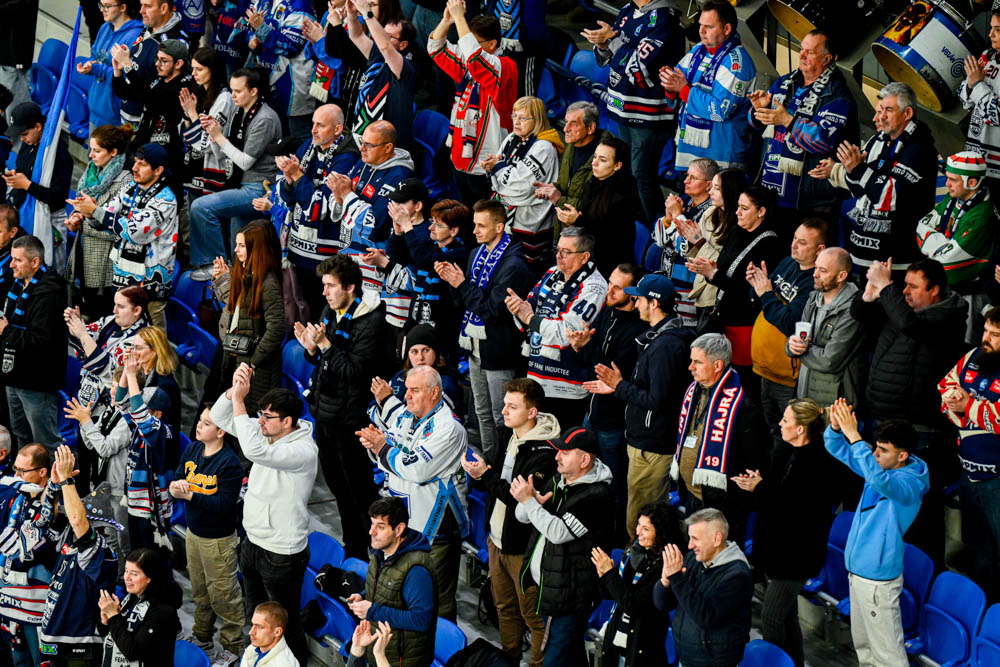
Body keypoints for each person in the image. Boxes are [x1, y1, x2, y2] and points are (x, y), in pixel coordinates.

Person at [211, 373, 317, 666]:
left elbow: (253, 450)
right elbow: (219, 416)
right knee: (256, 619)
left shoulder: (302, 451)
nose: (259, 421)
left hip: (282, 552)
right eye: (260, 414)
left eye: (267, 416)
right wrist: (233, 391)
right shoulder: (267, 433)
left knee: (285, 624)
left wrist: (240, 402)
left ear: (288, 421)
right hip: (253, 542)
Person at [585, 273, 695, 538]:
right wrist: (619, 386)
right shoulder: (662, 336)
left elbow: (659, 400)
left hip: (652, 444)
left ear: (654, 303)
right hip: (648, 439)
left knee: (641, 518)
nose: (635, 303)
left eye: (640, 299)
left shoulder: (665, 346)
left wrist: (619, 386)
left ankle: (640, 559)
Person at [460, 377, 558, 666]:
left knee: (532, 617)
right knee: (504, 608)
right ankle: (508, 660)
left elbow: (519, 499)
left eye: (512, 407)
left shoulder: (545, 453)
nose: (503, 411)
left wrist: (485, 475)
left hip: (522, 549)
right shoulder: (507, 434)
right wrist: (480, 472)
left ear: (532, 412)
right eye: (505, 404)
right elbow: (494, 479)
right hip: (496, 539)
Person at [297, 254, 389, 559]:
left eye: (330, 286)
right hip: (325, 413)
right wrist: (311, 349)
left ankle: (372, 553)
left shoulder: (372, 322)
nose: (324, 292)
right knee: (338, 489)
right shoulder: (331, 310)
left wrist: (324, 346)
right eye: (323, 285)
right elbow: (323, 361)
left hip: (351, 421)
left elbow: (354, 372)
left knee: (358, 492)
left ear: (350, 287)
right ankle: (353, 551)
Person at [825, 399, 929, 667]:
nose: (875, 454)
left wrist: (855, 437)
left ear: (902, 455)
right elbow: (838, 449)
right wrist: (836, 428)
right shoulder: (881, 466)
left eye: (883, 450)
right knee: (865, 650)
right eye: (876, 447)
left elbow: (880, 481)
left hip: (878, 581)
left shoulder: (909, 486)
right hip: (858, 572)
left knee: (888, 657)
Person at [732, 398, 834, 667]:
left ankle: (772, 662)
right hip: (775, 549)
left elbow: (793, 509)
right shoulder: (784, 451)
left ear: (800, 429)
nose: (779, 423)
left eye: (786, 420)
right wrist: (756, 484)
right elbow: (774, 495)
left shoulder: (817, 463)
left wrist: (760, 488)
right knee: (786, 616)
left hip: (795, 556)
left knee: (772, 617)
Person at [362, 365, 469, 621]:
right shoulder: (409, 415)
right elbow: (389, 450)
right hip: (407, 521)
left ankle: (442, 646)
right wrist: (375, 444)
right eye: (407, 389)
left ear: (434, 393)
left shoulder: (448, 428)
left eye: (415, 390)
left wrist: (382, 448)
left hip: (436, 528)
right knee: (404, 596)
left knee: (435, 603)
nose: (407, 395)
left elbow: (416, 469)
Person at [435, 198, 533, 461]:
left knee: (503, 417)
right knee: (482, 413)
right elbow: (463, 302)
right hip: (475, 344)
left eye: (481, 226)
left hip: (500, 349)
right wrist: (451, 281)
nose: (475, 231)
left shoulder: (513, 264)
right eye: (474, 225)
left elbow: (492, 311)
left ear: (499, 227)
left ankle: (505, 466)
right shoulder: (476, 254)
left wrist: (461, 284)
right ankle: (489, 464)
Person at [514, 426, 615, 667]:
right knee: (570, 656)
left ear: (584, 460)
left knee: (556, 659)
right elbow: (522, 516)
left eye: (565, 453)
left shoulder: (597, 496)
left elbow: (558, 533)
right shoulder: (559, 480)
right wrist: (532, 503)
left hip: (572, 596)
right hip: (551, 587)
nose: (557, 457)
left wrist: (531, 503)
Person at [811, 82, 937, 272]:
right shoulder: (878, 140)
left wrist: (858, 169)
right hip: (862, 256)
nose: (878, 117)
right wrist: (850, 170)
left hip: (897, 263)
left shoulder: (920, 149)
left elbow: (889, 197)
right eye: (879, 110)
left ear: (907, 113)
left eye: (888, 110)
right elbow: (858, 189)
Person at [585, 0, 682, 224]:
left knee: (641, 176)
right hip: (623, 108)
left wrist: (612, 41)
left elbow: (639, 67)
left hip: (647, 114)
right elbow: (610, 58)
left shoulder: (664, 19)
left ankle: (656, 230)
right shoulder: (628, 9)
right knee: (626, 172)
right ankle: (634, 225)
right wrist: (603, 44)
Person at [570, 263, 647, 537]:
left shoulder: (638, 330)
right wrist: (581, 347)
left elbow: (608, 373)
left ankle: (613, 537)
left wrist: (587, 347)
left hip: (614, 424)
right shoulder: (607, 313)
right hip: (591, 413)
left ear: (634, 294)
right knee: (581, 477)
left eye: (617, 288)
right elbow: (592, 364)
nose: (609, 291)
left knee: (614, 486)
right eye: (609, 283)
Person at [67, 143, 178, 330]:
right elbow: (106, 215)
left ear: (158, 170)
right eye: (135, 162)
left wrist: (95, 211)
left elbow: (134, 231)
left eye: (142, 164)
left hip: (149, 287)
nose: (134, 168)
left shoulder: (165, 201)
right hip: (122, 279)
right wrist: (87, 213)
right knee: (122, 336)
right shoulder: (131, 187)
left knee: (152, 341)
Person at [748, 29, 857, 218]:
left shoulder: (837, 96)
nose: (802, 55)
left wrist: (787, 120)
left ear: (826, 59)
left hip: (809, 202)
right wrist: (760, 111)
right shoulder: (786, 82)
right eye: (801, 49)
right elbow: (757, 126)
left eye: (810, 52)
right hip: (770, 190)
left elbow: (823, 141)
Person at [670, 333, 767, 546]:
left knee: (719, 555)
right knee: (694, 550)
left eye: (697, 362)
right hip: (693, 494)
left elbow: (752, 458)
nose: (690, 367)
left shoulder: (743, 404)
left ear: (717, 365)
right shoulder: (695, 389)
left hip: (722, 504)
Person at [506, 226, 607, 427]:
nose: (559, 256)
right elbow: (528, 309)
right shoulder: (552, 273)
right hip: (536, 377)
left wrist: (530, 318)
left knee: (559, 443)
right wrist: (517, 308)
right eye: (557, 249)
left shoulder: (594, 287)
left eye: (566, 252)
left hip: (566, 388)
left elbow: (565, 333)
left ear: (585, 256)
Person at [687, 184, 784, 390]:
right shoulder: (736, 230)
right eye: (738, 206)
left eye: (745, 208)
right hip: (722, 319)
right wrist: (712, 268)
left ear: (761, 211)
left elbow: (748, 290)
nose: (737, 212)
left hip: (743, 326)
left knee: (739, 382)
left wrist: (713, 274)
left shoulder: (770, 244)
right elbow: (726, 269)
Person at [188, 67, 282, 277]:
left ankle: (213, 264)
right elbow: (221, 154)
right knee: (239, 254)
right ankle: (229, 278)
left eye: (238, 91)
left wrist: (219, 137)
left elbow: (245, 161)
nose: (233, 96)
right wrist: (212, 134)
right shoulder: (239, 112)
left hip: (259, 188)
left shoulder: (265, 118)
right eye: (231, 90)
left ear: (254, 91)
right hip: (239, 184)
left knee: (201, 207)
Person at [169, 406, 244, 666]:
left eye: (207, 423)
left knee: (224, 597)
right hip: (194, 533)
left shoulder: (229, 463)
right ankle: (202, 635)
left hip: (218, 541)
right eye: (200, 419)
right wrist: (175, 487)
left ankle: (232, 647)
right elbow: (178, 478)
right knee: (200, 591)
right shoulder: (192, 449)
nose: (199, 425)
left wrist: (190, 495)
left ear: (221, 431)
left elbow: (224, 504)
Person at [747, 219, 826, 448]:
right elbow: (761, 301)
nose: (794, 245)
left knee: (789, 438)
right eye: (794, 238)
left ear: (820, 249)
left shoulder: (815, 282)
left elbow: (790, 323)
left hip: (788, 378)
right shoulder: (788, 262)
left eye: (802, 242)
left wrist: (765, 294)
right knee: (772, 430)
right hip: (764, 368)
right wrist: (756, 286)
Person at [938, 306, 1000, 598]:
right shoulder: (974, 356)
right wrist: (957, 405)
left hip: (997, 481)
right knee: (977, 548)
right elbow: (946, 387)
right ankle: (982, 606)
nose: (985, 338)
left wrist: (968, 407)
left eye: (995, 334)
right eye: (986, 330)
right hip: (969, 472)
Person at [278, 103, 360, 317]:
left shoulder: (346, 159)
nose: (313, 130)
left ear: (337, 129)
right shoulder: (309, 146)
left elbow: (319, 208)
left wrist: (297, 177)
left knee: (320, 313)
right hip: (297, 248)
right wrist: (290, 182)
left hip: (323, 257)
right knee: (301, 307)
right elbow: (284, 195)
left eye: (321, 125)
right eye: (313, 123)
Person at [429, 5, 517, 204]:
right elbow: (435, 48)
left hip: (486, 162)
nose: (466, 48)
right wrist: (447, 21)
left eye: (474, 42)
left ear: (492, 44)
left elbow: (475, 56)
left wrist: (461, 17)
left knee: (484, 214)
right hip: (461, 157)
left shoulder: (504, 66)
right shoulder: (470, 63)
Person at [37, 445, 118, 662]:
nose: (71, 517)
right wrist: (54, 485)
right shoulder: (69, 541)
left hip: (80, 646)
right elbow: (46, 518)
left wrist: (67, 480)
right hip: (56, 638)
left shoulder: (97, 548)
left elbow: (78, 521)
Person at [65, 285, 150, 486]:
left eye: (121, 306)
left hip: (110, 413)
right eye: (114, 305)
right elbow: (82, 340)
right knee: (85, 465)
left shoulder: (139, 339)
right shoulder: (111, 321)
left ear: (137, 310)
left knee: (100, 469)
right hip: (88, 404)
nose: (114, 310)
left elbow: (107, 370)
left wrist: (84, 336)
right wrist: (76, 325)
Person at [661, 0, 756, 172]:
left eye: (709, 27)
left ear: (727, 29)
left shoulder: (737, 62)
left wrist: (683, 89)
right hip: (689, 151)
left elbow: (720, 110)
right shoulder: (698, 50)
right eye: (700, 25)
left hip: (720, 157)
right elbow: (677, 86)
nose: (701, 31)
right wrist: (670, 84)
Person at [653, 508, 753, 667]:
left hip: (714, 663)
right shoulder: (693, 558)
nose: (690, 545)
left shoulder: (737, 576)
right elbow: (663, 605)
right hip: (687, 658)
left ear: (716, 539)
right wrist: (665, 582)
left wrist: (676, 579)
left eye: (695, 539)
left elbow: (706, 616)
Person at [369, 196, 471, 348]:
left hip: (443, 333)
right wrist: (398, 232)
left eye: (438, 225)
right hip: (416, 323)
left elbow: (425, 260)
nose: (431, 228)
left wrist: (408, 226)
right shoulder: (432, 246)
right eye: (432, 222)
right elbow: (397, 255)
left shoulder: (460, 253)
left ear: (454, 230)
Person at [347, 497, 436, 667]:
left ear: (399, 529)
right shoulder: (380, 553)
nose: (371, 532)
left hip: (403, 661)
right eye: (372, 524)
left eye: (380, 527)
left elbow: (421, 620)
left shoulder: (416, 571)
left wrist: (372, 610)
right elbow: (387, 589)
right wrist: (363, 596)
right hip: (379, 650)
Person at [64, 366, 134, 578]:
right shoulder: (110, 410)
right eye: (112, 386)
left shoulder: (129, 419)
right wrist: (84, 422)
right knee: (110, 537)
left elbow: (104, 448)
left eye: (118, 388)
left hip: (120, 490)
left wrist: (86, 423)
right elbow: (91, 444)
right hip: (104, 485)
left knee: (123, 540)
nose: (112, 392)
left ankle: (128, 579)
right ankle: (118, 576)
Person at [0, 445, 66, 665]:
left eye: (22, 471)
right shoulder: (17, 497)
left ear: (42, 472)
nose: (16, 476)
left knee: (43, 662)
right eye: (15, 469)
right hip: (11, 599)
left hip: (39, 605)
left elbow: (34, 553)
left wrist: (12, 546)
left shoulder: (59, 503)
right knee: (19, 661)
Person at [0, 235, 67, 451]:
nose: (11, 265)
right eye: (12, 258)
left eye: (18, 260)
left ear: (35, 262)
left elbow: (40, 340)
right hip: (13, 374)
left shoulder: (49, 293)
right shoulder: (18, 284)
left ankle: (57, 474)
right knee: (22, 437)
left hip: (38, 381)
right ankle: (25, 473)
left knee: (45, 443)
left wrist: (5, 330)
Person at [593, 501, 680, 667]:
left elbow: (633, 606)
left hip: (642, 651)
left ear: (661, 532)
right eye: (638, 525)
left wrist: (610, 575)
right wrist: (603, 575)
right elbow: (609, 594)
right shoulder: (633, 553)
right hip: (616, 645)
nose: (638, 532)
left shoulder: (664, 566)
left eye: (646, 528)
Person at [211, 223, 285, 413]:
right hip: (234, 356)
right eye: (236, 245)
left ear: (256, 249)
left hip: (256, 370)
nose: (235, 250)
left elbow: (276, 329)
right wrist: (223, 279)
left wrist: (253, 360)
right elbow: (236, 306)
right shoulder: (244, 271)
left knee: (247, 417)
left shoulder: (268, 283)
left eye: (241, 246)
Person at [65, 124, 135, 319]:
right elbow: (85, 206)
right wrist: (76, 216)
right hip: (83, 251)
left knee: (99, 314)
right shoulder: (91, 172)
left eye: (97, 151)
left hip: (104, 262)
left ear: (113, 152)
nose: (90, 156)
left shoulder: (125, 181)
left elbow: (120, 228)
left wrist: (86, 221)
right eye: (91, 150)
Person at [112, 38, 197, 193]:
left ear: (178, 63)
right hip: (143, 149)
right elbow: (126, 93)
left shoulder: (185, 85)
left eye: (164, 61)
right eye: (157, 59)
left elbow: (155, 100)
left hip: (166, 159)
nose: (157, 64)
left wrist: (128, 66)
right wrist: (118, 71)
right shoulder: (158, 79)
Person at [483, 96, 559, 270]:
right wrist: (491, 167)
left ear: (537, 119)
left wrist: (497, 168)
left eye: (523, 118)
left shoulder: (544, 148)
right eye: (514, 116)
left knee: (522, 269)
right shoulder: (512, 138)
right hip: (507, 215)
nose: (516, 122)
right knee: (501, 265)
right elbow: (500, 179)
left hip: (530, 222)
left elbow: (520, 186)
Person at [787, 247, 866, 407]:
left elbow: (829, 361)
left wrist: (802, 349)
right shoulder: (813, 297)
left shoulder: (852, 310)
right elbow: (799, 338)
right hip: (804, 396)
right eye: (816, 267)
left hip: (833, 404)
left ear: (841, 276)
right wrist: (791, 345)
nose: (815, 274)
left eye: (822, 270)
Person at [115, 349, 175, 553]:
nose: (136, 410)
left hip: (152, 508)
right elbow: (121, 401)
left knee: (150, 559)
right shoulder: (139, 426)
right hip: (136, 502)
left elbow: (140, 414)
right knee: (136, 552)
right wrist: (126, 371)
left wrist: (133, 376)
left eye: (143, 407)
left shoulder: (161, 432)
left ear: (157, 414)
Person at [916, 151, 997, 301]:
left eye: (952, 180)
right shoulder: (953, 198)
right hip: (947, 289)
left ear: (971, 183)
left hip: (968, 295)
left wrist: (932, 246)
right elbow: (921, 226)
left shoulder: (981, 215)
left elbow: (947, 263)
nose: (947, 184)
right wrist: (945, 247)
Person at [555, 136, 639, 277]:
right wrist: (573, 219)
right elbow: (587, 219)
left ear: (617, 165)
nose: (594, 163)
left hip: (609, 265)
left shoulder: (624, 193)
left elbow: (609, 237)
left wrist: (577, 221)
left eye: (603, 160)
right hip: (589, 254)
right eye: (595, 157)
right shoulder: (592, 183)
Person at [3, 102, 73, 269]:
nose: (22, 139)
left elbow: (58, 198)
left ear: (38, 127)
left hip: (48, 222)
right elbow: (25, 170)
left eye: (25, 134)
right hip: (26, 217)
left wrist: (27, 185)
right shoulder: (28, 145)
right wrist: (16, 176)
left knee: (48, 267)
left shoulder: (59, 155)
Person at [342, 0, 417, 149]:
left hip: (388, 145)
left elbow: (385, 47)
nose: (381, 38)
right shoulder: (378, 55)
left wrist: (367, 13)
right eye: (383, 33)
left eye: (389, 36)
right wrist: (351, 14)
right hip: (364, 135)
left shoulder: (406, 67)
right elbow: (356, 36)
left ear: (403, 45)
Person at [654, 157, 719, 326]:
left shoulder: (712, 213)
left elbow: (685, 249)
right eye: (686, 175)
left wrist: (677, 215)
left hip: (688, 284)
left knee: (681, 330)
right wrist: (668, 219)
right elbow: (659, 241)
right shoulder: (686, 201)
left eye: (693, 178)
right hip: (668, 276)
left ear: (709, 185)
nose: (686, 181)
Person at [243, 0, 317, 140]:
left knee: (299, 140)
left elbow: (290, 46)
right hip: (269, 82)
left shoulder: (300, 5)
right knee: (275, 138)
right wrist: (253, 39)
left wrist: (261, 29)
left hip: (294, 88)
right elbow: (250, 27)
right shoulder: (263, 2)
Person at [331, 119, 414, 244]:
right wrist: (340, 199)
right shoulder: (366, 160)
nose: (362, 148)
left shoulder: (399, 177)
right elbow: (339, 194)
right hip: (346, 244)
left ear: (387, 148)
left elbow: (375, 227)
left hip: (372, 252)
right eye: (362, 142)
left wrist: (347, 196)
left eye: (369, 145)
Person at [97, 548, 182, 667]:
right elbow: (110, 633)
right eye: (126, 571)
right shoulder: (132, 597)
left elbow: (132, 652)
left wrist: (114, 617)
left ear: (149, 578)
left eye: (134, 574)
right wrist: (106, 621)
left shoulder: (163, 611)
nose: (127, 577)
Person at [533, 102, 607, 238]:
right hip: (565, 231)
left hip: (588, 239)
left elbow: (598, 207)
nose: (565, 129)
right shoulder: (572, 145)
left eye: (574, 123)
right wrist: (553, 188)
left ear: (590, 128)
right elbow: (569, 184)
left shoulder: (606, 159)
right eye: (566, 122)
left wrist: (558, 199)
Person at [110, 0, 188, 125]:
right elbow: (128, 90)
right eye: (141, 5)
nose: (141, 11)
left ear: (163, 8)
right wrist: (118, 71)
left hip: (150, 127)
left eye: (148, 6)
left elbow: (156, 97)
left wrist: (128, 66)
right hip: (127, 118)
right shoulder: (148, 28)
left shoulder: (174, 43)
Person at [179, 46, 237, 199]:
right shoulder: (200, 92)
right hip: (193, 168)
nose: (193, 74)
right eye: (193, 69)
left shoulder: (224, 99)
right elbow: (186, 134)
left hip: (211, 170)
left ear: (213, 70)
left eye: (199, 69)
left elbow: (207, 144)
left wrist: (192, 113)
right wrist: (187, 113)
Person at [77, 0, 143, 129]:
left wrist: (97, 69)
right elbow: (96, 54)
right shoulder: (104, 28)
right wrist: (90, 64)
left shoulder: (134, 36)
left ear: (123, 7)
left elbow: (127, 75)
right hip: (95, 110)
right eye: (101, 5)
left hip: (114, 118)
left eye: (107, 6)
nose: (102, 10)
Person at [961, 9, 1000, 201]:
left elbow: (996, 116)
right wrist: (971, 85)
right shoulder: (988, 55)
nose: (990, 34)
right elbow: (965, 99)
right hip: (976, 155)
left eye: (998, 30)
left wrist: (977, 84)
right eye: (991, 28)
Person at [382, 323, 464, 413]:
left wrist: (387, 400)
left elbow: (421, 418)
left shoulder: (445, 384)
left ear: (436, 352)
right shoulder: (400, 376)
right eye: (414, 352)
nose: (420, 357)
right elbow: (374, 408)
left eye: (426, 350)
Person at [131, 325, 181, 435]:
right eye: (133, 347)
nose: (134, 352)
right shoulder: (141, 372)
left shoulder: (163, 385)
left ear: (155, 351)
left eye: (139, 348)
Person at [241, 602, 298, 667]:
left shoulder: (283, 664)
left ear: (277, 632)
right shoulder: (253, 648)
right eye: (253, 625)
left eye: (259, 627)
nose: (251, 632)